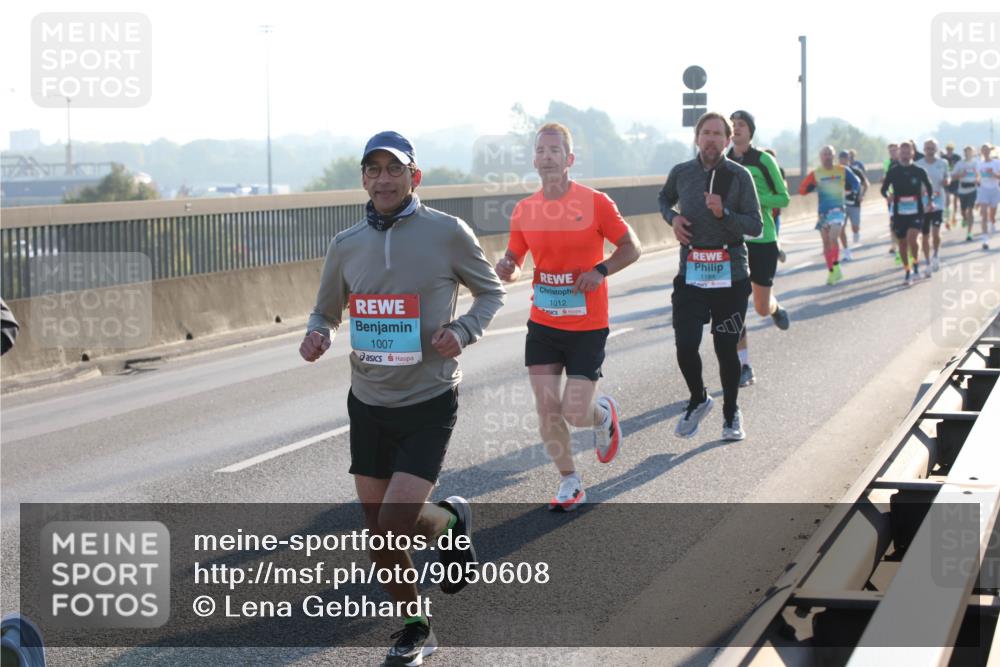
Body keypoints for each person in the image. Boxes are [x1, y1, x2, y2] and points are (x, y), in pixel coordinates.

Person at [301, 130, 506, 665]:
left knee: (387, 532)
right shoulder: (346, 243)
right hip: (368, 402)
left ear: (414, 176)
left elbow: (491, 291)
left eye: (395, 169)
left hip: (428, 400)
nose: (384, 179)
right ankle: (442, 542)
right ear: (364, 179)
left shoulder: (446, 232)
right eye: (374, 170)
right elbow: (326, 308)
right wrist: (319, 332)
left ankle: (423, 607)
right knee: (382, 531)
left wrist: (462, 332)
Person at [495, 122, 641, 511]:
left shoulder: (595, 203)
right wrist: (507, 265)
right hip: (543, 322)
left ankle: (602, 414)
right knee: (546, 406)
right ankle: (569, 481)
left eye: (554, 150)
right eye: (540, 150)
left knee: (576, 412)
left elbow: (632, 246)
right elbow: (516, 256)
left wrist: (602, 271)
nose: (547, 157)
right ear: (534, 159)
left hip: (587, 324)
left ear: (569, 159)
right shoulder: (525, 210)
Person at [659, 111, 763, 441]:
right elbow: (664, 199)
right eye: (707, 133)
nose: (712, 139)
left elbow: (756, 226)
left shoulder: (739, 175)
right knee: (685, 345)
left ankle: (731, 413)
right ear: (697, 137)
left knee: (725, 347)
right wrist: (672, 219)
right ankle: (698, 398)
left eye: (720, 134)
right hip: (691, 274)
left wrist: (725, 213)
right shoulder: (682, 173)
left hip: (730, 276)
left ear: (729, 140)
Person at [726, 110, 791, 389]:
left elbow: (784, 197)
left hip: (763, 241)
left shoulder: (763, 160)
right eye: (733, 125)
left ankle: (774, 307)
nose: (737, 128)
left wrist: (754, 199)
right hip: (734, 243)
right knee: (735, 306)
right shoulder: (723, 160)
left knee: (761, 308)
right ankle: (744, 365)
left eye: (741, 125)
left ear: (750, 132)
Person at [798, 145, 861, 285]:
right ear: (820, 157)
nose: (827, 156)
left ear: (834, 156)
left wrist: (852, 191)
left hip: (838, 210)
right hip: (823, 213)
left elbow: (856, 182)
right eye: (824, 154)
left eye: (829, 154)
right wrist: (809, 187)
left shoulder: (842, 170)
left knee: (833, 236)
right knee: (826, 243)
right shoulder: (816, 173)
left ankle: (837, 265)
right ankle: (832, 272)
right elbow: (801, 190)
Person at [880, 140, 935, 285]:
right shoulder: (893, 171)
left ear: (912, 153)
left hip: (916, 210)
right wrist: (888, 196)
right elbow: (883, 189)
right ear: (899, 154)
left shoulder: (919, 171)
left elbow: (929, 187)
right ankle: (907, 270)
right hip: (899, 211)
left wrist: (930, 201)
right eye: (902, 152)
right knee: (902, 244)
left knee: (912, 239)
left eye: (907, 152)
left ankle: (916, 266)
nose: (905, 155)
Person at [915, 138, 949, 272]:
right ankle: (928, 261)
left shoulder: (943, 163)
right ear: (924, 150)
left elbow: (948, 176)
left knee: (935, 232)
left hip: (938, 201)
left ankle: (935, 255)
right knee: (925, 234)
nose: (930, 151)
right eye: (927, 148)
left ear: (936, 149)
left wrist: (947, 180)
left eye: (932, 148)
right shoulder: (918, 164)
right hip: (923, 203)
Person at [838, 149, 869, 251]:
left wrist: (862, 195)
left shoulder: (856, 171)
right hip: (841, 204)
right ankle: (846, 249)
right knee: (841, 227)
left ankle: (856, 232)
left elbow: (865, 184)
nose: (843, 161)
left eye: (845, 158)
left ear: (849, 159)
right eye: (841, 159)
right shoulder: (836, 172)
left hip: (854, 203)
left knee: (855, 226)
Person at [763, 148, 789, 262]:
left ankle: (775, 252)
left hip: (775, 211)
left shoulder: (779, 171)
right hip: (763, 210)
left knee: (774, 236)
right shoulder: (758, 170)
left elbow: (783, 190)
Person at [952, 145, 980, 241]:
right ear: (964, 153)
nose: (968, 153)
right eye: (966, 152)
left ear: (973, 153)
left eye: (970, 151)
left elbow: (980, 175)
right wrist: (960, 174)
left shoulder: (976, 163)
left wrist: (977, 179)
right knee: (963, 211)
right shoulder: (960, 164)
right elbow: (953, 176)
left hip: (973, 189)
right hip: (962, 190)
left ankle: (969, 233)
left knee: (970, 210)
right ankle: (964, 218)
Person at [975, 143, 1000, 249]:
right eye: (983, 150)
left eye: (987, 150)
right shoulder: (979, 164)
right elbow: (977, 178)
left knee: (992, 214)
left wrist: (993, 174)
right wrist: (978, 181)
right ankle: (985, 239)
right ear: (981, 152)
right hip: (983, 190)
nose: (985, 152)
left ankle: (992, 222)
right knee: (984, 215)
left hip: (994, 190)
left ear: (990, 151)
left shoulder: (996, 163)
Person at [942, 142, 961, 228]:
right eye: (948, 149)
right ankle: (947, 219)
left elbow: (960, 168)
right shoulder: (943, 158)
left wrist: (957, 176)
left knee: (955, 201)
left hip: (956, 181)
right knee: (947, 200)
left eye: (951, 149)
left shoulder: (957, 157)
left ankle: (954, 216)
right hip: (947, 181)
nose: (949, 151)